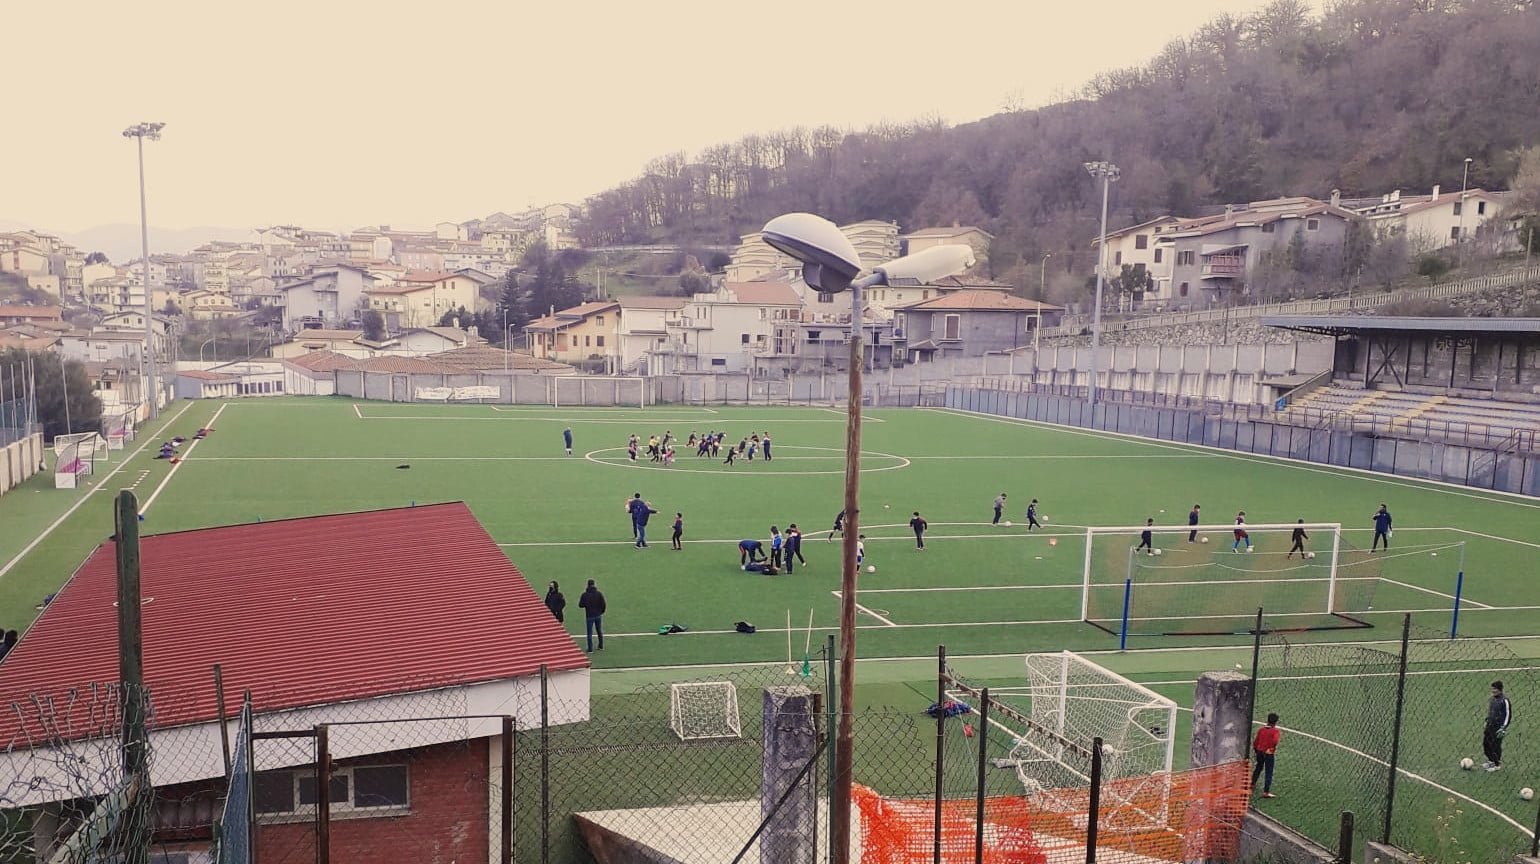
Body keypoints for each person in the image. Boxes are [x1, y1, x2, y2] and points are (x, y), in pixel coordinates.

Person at [1482, 680, 1512, 772]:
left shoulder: (1505, 700)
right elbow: (1491, 712)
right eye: (1492, 688)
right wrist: (1487, 720)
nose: (1492, 690)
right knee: (1486, 744)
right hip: (1489, 725)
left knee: (1495, 745)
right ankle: (1490, 760)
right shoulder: (1492, 699)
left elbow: (1508, 714)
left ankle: (1496, 764)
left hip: (1498, 727)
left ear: (1499, 689)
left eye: (1494, 689)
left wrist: (1503, 727)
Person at [1252, 712, 1282, 798]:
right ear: (1276, 722)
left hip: (1259, 751)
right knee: (1269, 771)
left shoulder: (1261, 729)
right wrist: (1271, 748)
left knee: (1258, 767)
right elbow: (1275, 741)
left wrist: (1256, 750)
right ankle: (1266, 791)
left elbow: (1256, 741)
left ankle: (1252, 783)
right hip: (1268, 753)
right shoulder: (1275, 731)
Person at [579, 580, 606, 652]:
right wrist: (601, 612)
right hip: (598, 615)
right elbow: (603, 604)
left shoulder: (585, 595)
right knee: (599, 630)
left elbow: (580, 605)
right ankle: (601, 646)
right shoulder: (599, 594)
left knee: (589, 633)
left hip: (589, 615)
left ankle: (590, 649)